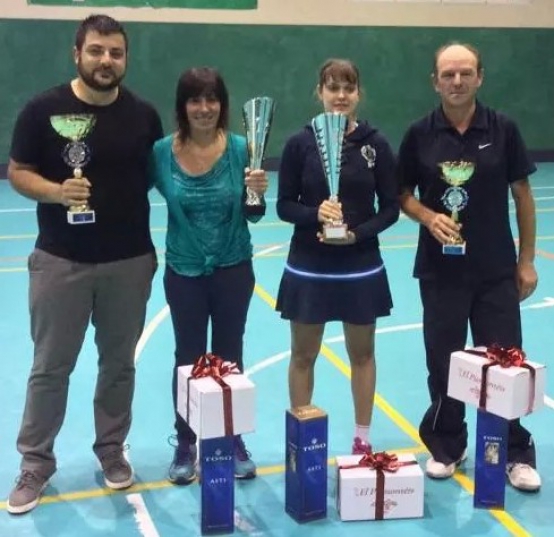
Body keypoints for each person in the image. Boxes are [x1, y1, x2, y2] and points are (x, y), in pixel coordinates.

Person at [6, 14, 163, 514]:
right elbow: (18, 172)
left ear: (126, 58)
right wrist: (57, 192)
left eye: (115, 52)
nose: (106, 60)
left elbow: (163, 176)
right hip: (60, 262)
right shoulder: (43, 110)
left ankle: (112, 450)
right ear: (78, 53)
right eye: (96, 50)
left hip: (129, 262)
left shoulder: (144, 116)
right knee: (50, 368)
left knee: (119, 365)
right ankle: (35, 463)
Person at [397, 42, 541, 491]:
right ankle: (447, 444)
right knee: (443, 362)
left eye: (464, 73)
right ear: (434, 81)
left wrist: (527, 261)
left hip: (496, 271)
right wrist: (428, 216)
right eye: (447, 74)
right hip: (440, 274)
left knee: (505, 365)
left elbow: (522, 196)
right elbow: (401, 194)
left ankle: (513, 452)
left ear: (479, 77)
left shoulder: (503, 129)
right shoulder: (419, 134)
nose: (455, 82)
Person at [149, 67, 268, 485]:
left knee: (230, 357)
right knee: (188, 358)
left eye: (211, 99)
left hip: (235, 268)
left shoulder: (241, 148)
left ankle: (231, 438)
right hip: (183, 271)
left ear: (222, 104)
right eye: (195, 100)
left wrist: (258, 191)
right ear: (182, 106)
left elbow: (254, 214)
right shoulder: (162, 153)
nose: (204, 108)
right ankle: (185, 442)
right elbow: (126, 196)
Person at [276, 59, 399, 454]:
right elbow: (283, 205)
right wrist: (316, 215)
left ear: (358, 93)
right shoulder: (299, 143)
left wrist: (358, 234)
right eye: (333, 87)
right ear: (320, 91)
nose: (341, 95)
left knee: (362, 354)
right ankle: (303, 439)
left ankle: (362, 439)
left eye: (349, 87)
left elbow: (391, 207)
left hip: (359, 265)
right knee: (302, 354)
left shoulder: (375, 144)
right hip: (309, 265)